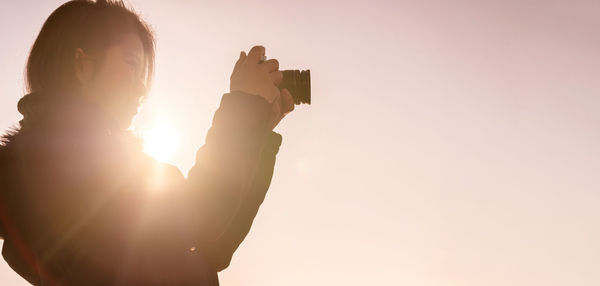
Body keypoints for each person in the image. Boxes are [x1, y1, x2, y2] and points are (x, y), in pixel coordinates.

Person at [0, 0, 295, 285]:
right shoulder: (53, 163)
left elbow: (211, 246)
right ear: (82, 65)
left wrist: (259, 135)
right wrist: (244, 110)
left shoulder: (84, 161)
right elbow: (200, 221)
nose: (141, 87)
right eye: (131, 64)